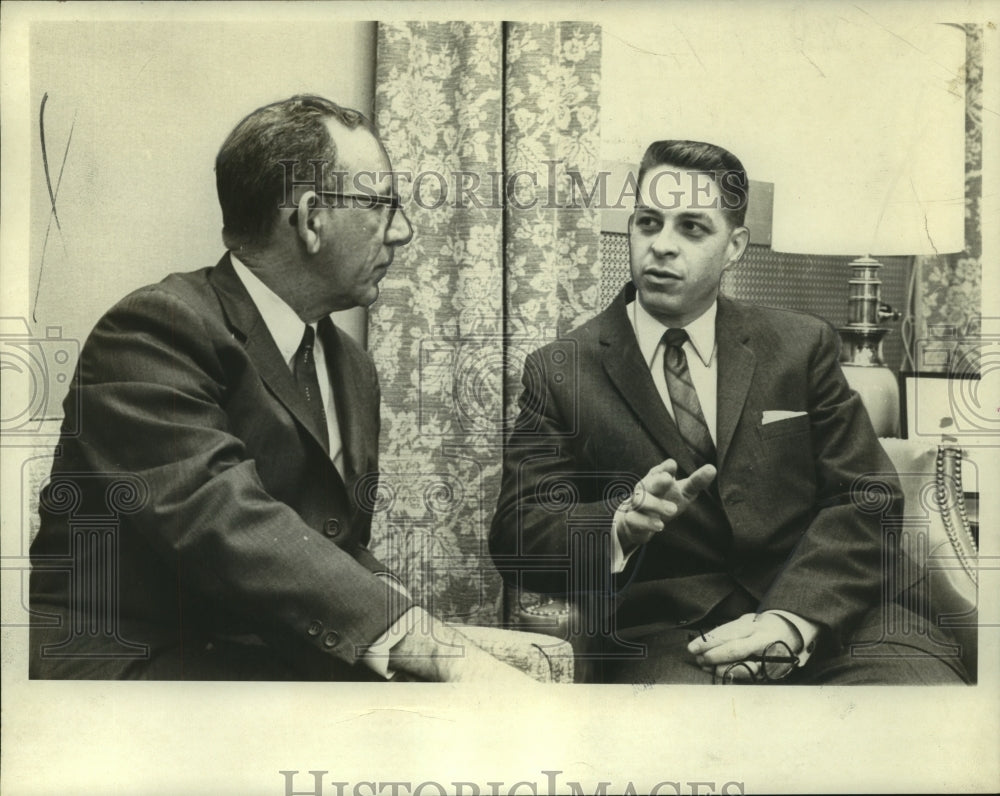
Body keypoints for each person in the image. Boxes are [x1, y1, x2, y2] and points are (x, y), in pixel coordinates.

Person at [29, 95, 533, 683]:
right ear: (312, 219)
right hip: (133, 669)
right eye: (382, 205)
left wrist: (414, 624)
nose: (403, 231)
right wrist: (433, 649)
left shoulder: (351, 367)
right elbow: (226, 523)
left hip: (264, 659)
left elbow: (325, 542)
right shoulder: (154, 330)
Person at [490, 139, 968, 684]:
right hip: (673, 637)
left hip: (835, 618)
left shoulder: (800, 345)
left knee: (921, 706)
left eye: (692, 228)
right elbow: (518, 535)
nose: (661, 246)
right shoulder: (562, 369)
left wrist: (790, 620)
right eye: (648, 222)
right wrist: (617, 525)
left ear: (734, 246)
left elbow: (865, 497)